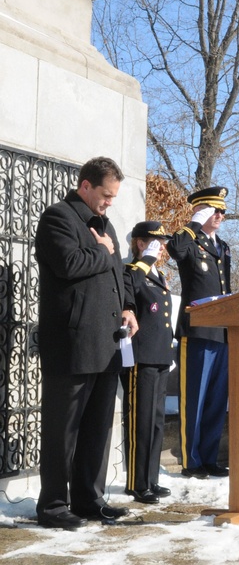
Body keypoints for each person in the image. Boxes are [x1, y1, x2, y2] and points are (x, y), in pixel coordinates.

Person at [33, 156, 138, 529]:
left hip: (107, 342)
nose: (110, 202)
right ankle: (53, 505)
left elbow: (120, 275)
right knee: (64, 428)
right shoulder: (58, 217)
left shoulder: (104, 224)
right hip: (73, 342)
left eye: (114, 197)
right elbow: (68, 264)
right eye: (106, 195)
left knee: (97, 428)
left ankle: (89, 498)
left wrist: (128, 307)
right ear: (86, 186)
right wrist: (103, 250)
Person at [167, 185, 232, 479]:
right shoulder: (190, 240)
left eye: (221, 211)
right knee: (193, 399)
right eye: (213, 209)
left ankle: (208, 456)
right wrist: (194, 222)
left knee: (216, 401)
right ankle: (190, 461)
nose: (219, 215)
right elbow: (175, 250)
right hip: (195, 331)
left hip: (221, 332)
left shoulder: (223, 247)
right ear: (200, 210)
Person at [120, 221, 174, 504]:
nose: (162, 247)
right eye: (156, 242)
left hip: (160, 356)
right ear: (141, 243)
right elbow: (128, 293)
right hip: (140, 358)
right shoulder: (131, 271)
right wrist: (146, 259)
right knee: (139, 421)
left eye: (163, 242)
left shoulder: (160, 275)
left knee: (154, 421)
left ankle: (151, 479)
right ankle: (136, 483)